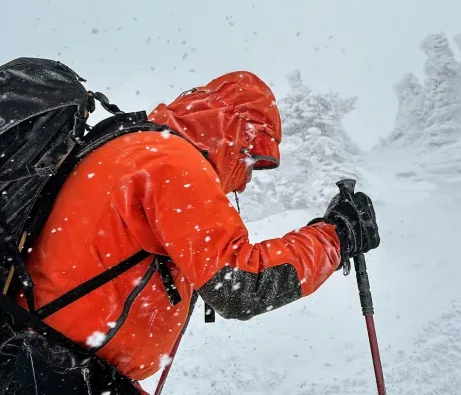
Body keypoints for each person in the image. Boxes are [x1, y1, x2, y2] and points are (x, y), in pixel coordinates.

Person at [18, 70, 380, 392]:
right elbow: (240, 285)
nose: (246, 180)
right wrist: (335, 237)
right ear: (239, 134)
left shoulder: (133, 148)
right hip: (56, 369)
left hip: (46, 359)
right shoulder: (171, 161)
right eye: (252, 159)